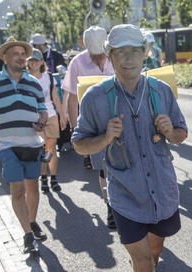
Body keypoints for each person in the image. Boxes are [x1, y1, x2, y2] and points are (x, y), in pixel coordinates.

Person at [72, 24, 188, 272]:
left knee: (153, 256)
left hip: (163, 195)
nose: (128, 58)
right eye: (119, 52)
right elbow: (79, 143)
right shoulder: (96, 98)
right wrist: (104, 138)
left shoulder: (160, 91)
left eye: (134, 50)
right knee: (142, 264)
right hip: (126, 196)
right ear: (109, 56)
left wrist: (171, 131)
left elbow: (182, 135)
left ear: (145, 52)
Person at [0, 37, 49, 256]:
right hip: (8, 145)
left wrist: (42, 122)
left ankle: (32, 221)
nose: (20, 57)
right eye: (15, 53)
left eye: (22, 53)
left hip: (33, 144)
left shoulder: (34, 83)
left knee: (33, 188)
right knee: (17, 189)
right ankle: (27, 235)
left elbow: (43, 110)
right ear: (5, 57)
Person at [62, 26, 116, 228]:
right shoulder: (77, 62)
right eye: (94, 56)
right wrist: (78, 131)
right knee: (104, 166)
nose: (99, 60)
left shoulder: (116, 55)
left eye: (102, 55)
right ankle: (110, 207)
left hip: (120, 118)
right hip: (93, 123)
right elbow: (72, 98)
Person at [26, 49, 66, 194]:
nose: (33, 62)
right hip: (34, 117)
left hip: (51, 114)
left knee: (52, 148)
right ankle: (43, 177)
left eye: (36, 60)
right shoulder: (24, 78)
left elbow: (55, 97)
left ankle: (53, 178)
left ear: (42, 62)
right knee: (42, 148)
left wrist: (62, 114)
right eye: (31, 60)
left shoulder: (48, 77)